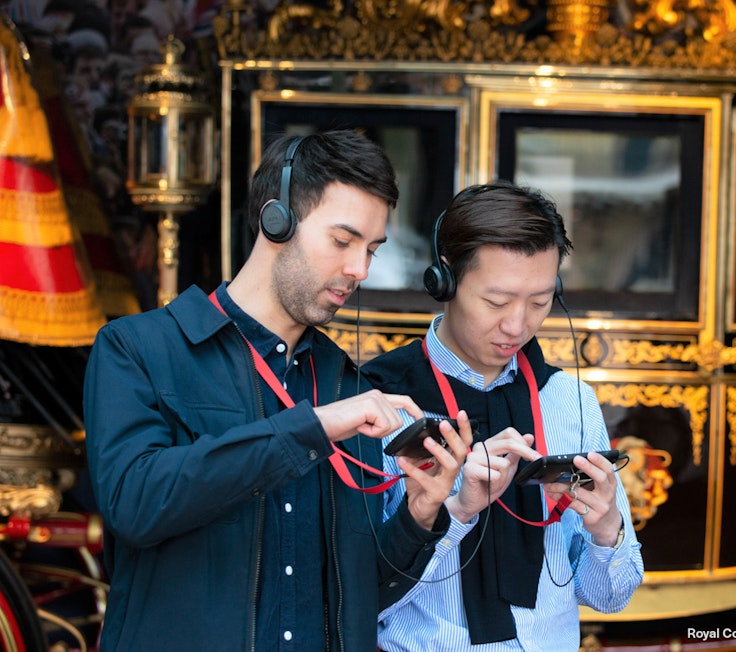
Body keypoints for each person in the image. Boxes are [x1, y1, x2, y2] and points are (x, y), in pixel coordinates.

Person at [83, 130, 471, 651]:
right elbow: (135, 504)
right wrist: (311, 428)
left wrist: (420, 513)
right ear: (276, 221)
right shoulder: (138, 349)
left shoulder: (345, 382)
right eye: (342, 241)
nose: (359, 270)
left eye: (372, 249)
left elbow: (360, 596)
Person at [364, 180, 644, 651]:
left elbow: (610, 598)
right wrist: (456, 510)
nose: (517, 326)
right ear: (445, 280)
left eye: (539, 303)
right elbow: (359, 598)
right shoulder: (380, 402)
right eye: (496, 302)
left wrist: (605, 530)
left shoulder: (568, 400)